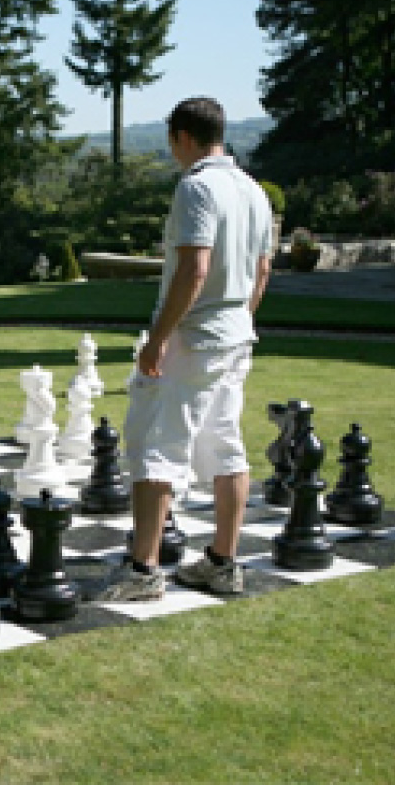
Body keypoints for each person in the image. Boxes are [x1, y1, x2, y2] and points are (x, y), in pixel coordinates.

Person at [91, 96, 273, 601]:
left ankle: (142, 570)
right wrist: (240, 320)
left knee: (155, 444)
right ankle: (222, 560)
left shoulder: (196, 187)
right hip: (236, 334)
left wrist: (158, 338)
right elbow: (262, 271)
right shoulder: (254, 191)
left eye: (172, 142)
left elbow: (193, 270)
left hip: (194, 337)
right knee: (224, 443)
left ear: (183, 137)